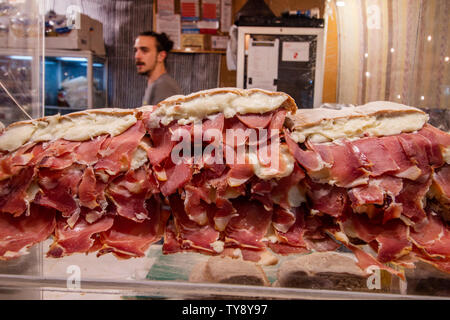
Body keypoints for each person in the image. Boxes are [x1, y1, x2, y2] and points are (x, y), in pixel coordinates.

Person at [134, 31, 182, 106]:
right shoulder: (156, 84)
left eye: (144, 50)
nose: (137, 56)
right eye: (136, 50)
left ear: (161, 56)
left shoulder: (164, 86)